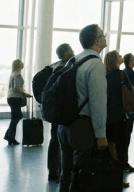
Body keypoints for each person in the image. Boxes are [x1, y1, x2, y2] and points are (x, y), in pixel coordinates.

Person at [58, 25, 109, 192]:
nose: (105, 37)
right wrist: (101, 134)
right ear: (96, 40)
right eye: (103, 35)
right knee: (82, 177)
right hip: (82, 128)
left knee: (66, 174)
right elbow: (98, 102)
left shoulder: (74, 60)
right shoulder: (95, 64)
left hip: (64, 126)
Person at [46, 43, 75, 182]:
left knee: (54, 141)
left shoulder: (54, 66)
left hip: (53, 111)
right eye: (71, 50)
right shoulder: (65, 68)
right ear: (66, 54)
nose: (74, 52)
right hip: (61, 111)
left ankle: (53, 171)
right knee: (61, 143)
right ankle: (60, 172)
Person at [104, 51, 132, 189]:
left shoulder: (104, 75)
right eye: (119, 56)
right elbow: (130, 93)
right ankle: (118, 181)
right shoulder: (121, 74)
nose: (122, 57)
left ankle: (107, 179)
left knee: (109, 150)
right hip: (119, 117)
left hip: (106, 118)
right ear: (115, 60)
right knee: (121, 150)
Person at [4, 59, 33, 145]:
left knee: (16, 116)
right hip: (15, 98)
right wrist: (25, 93)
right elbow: (17, 87)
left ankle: (8, 136)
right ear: (18, 65)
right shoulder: (17, 74)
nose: (23, 64)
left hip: (11, 97)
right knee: (16, 117)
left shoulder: (13, 73)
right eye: (21, 63)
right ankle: (10, 138)